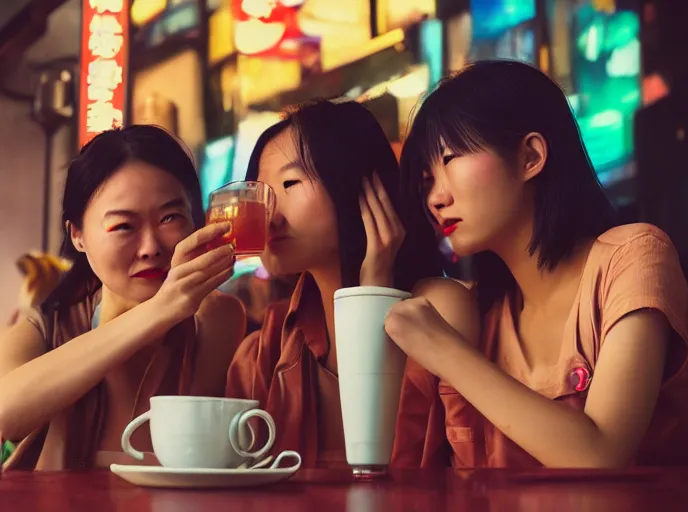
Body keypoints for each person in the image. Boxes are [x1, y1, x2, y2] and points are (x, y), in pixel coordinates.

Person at [386, 60, 688, 468]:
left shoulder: (632, 258)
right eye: (426, 180)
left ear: (530, 156)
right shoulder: (482, 314)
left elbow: (599, 453)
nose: (435, 198)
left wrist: (445, 351)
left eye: (450, 158)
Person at [225, 100, 477, 468]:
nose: (269, 215)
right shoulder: (266, 348)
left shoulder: (437, 310)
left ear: (361, 184)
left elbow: (465, 472)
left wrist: (372, 294)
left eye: (290, 183)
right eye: (261, 193)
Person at [0, 126, 246, 470]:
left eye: (170, 217)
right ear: (78, 235)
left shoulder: (215, 319)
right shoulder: (46, 326)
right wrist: (158, 311)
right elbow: (5, 416)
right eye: (123, 226)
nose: (150, 248)